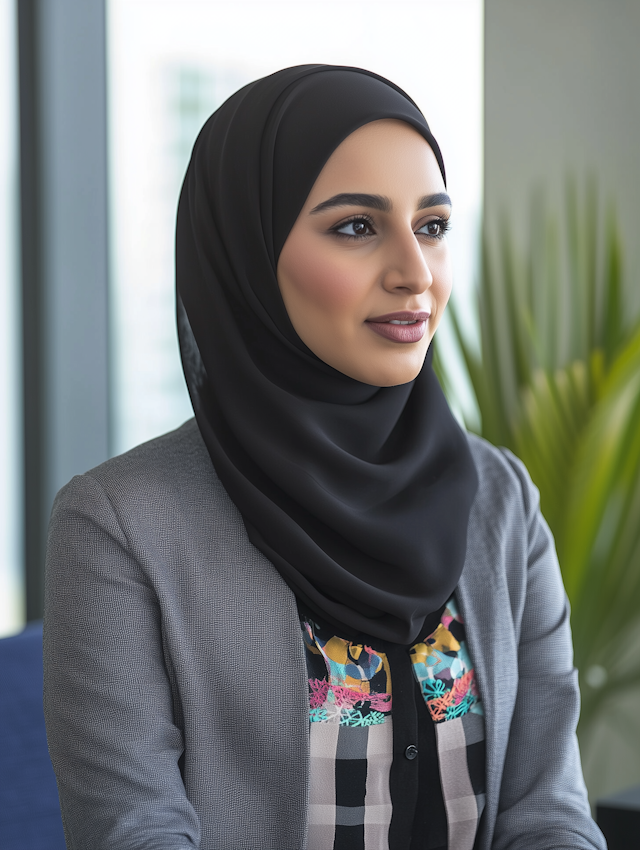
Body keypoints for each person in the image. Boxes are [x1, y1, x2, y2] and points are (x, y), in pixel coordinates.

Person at [43, 65, 606, 850]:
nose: (415, 273)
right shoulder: (119, 526)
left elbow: (548, 814)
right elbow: (135, 831)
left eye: (432, 226)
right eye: (356, 227)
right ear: (247, 253)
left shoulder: (499, 500)